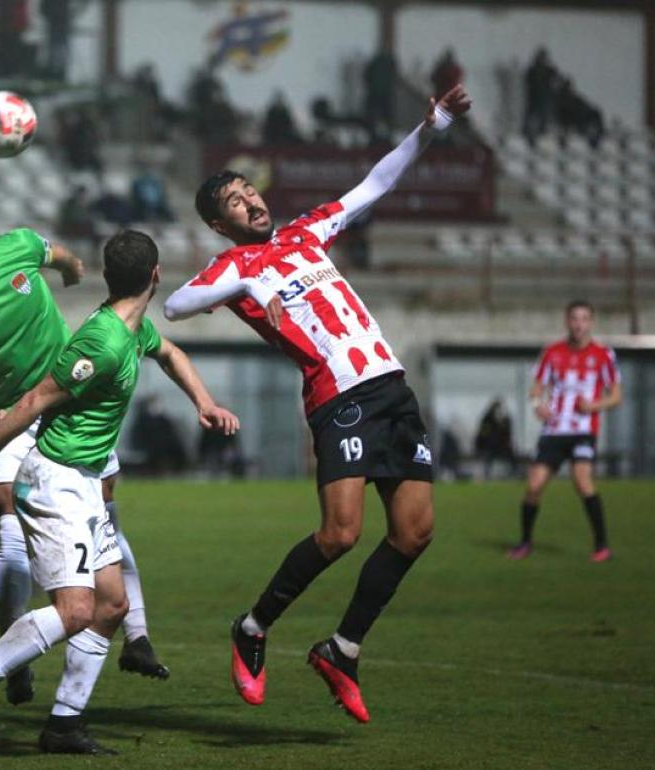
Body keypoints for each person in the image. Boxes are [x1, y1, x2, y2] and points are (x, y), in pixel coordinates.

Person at [164, 84, 473, 723]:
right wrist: (248, 276)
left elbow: (374, 184)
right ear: (219, 224)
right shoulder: (232, 265)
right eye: (232, 201)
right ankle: (252, 628)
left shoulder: (308, 233)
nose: (248, 199)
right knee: (341, 534)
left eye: (248, 189)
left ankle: (342, 649)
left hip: (392, 387)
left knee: (415, 532)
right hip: (340, 399)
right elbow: (175, 304)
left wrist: (432, 126)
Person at [0, 230, 240, 758]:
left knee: (113, 604)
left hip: (81, 483)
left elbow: (170, 352)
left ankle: (64, 724)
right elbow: (35, 399)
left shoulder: (131, 328)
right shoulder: (101, 343)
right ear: (155, 275)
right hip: (54, 482)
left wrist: (204, 402)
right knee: (76, 610)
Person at [0, 191, 172, 710]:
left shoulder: (18, 245)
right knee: (8, 518)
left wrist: (72, 270)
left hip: (69, 407)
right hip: (12, 418)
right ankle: (14, 664)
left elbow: (60, 256)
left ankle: (137, 636)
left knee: (106, 517)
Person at [507, 301, 621, 562]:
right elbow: (536, 389)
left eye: (584, 319)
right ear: (567, 321)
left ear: (591, 322)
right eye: (574, 319)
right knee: (534, 486)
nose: (579, 324)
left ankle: (601, 546)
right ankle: (525, 543)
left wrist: (594, 405)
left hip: (583, 431)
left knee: (582, 480)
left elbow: (616, 396)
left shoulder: (604, 355)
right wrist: (538, 406)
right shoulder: (552, 352)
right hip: (554, 431)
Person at [475, 398, 516, 479]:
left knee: (510, 453)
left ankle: (513, 471)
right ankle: (487, 473)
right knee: (488, 454)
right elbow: (483, 434)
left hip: (501, 446)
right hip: (489, 446)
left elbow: (507, 434)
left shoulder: (505, 419)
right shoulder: (487, 418)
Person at [523, 48, 557, 145]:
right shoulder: (533, 71)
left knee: (543, 120)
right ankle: (529, 136)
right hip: (535, 100)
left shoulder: (549, 71)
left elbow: (554, 83)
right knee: (532, 119)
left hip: (544, 100)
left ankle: (541, 136)